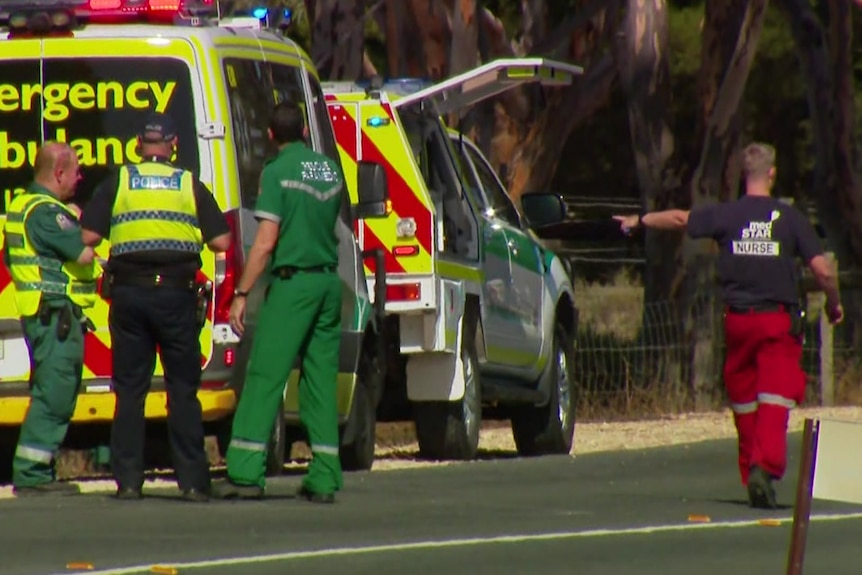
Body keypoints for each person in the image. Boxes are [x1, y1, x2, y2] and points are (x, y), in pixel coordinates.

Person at [613, 142, 843, 510]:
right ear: (772, 174)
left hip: (736, 322)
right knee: (775, 395)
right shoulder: (790, 219)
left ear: (742, 176)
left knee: (745, 398)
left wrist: (638, 221)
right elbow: (822, 269)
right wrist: (833, 303)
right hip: (776, 322)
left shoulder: (728, 215)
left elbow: (679, 219)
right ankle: (763, 468)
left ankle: (751, 465)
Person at [80, 113, 231, 502]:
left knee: (130, 390)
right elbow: (222, 243)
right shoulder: (188, 184)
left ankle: (129, 481)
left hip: (130, 296)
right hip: (177, 298)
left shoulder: (120, 182)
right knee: (182, 390)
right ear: (172, 144)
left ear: (138, 146)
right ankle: (194, 482)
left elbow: (90, 235)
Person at [212, 100, 345, 504]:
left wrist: (241, 292)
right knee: (320, 381)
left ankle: (245, 471)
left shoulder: (276, 173)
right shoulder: (329, 168)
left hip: (294, 285)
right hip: (328, 283)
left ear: (271, 136)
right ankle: (324, 474)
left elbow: (267, 240)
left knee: (265, 374)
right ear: (304, 130)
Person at [3, 142, 101, 497]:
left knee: (53, 390)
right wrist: (79, 221)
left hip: (47, 314)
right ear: (58, 173)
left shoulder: (26, 206)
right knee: (55, 394)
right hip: (54, 315)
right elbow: (84, 252)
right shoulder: (47, 212)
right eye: (76, 171)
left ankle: (37, 470)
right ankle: (31, 474)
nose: (80, 177)